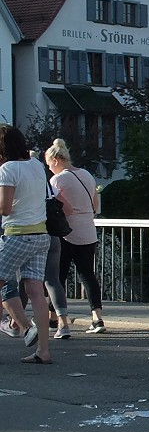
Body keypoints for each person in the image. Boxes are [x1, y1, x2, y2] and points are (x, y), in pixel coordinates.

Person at [0, 125, 54, 364]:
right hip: (41, 235)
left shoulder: (8, 169)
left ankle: (22, 327)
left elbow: (5, 208)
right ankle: (43, 351)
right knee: (36, 293)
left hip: (17, 234)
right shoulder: (37, 165)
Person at [45, 139, 104, 334]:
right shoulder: (86, 174)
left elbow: (61, 208)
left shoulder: (57, 180)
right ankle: (97, 318)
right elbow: (95, 204)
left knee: (57, 276)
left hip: (67, 233)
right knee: (87, 275)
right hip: (88, 230)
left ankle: (56, 318)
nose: (49, 169)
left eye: (48, 165)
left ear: (55, 160)